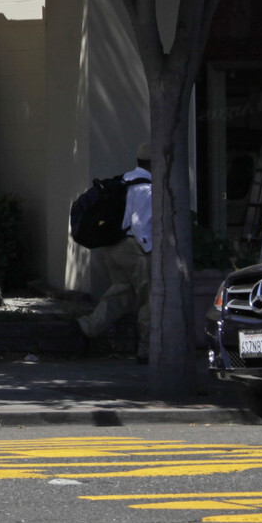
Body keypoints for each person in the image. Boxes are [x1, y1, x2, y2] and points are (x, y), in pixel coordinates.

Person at [79, 143, 153, 360]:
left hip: (113, 246)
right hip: (135, 248)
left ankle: (87, 328)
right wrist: (148, 252)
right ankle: (147, 350)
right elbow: (141, 226)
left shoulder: (124, 180)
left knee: (121, 294)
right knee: (149, 300)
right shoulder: (146, 188)